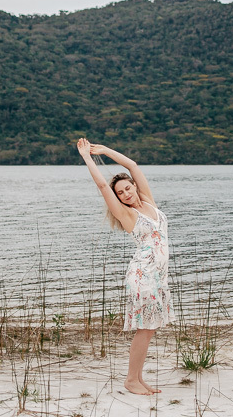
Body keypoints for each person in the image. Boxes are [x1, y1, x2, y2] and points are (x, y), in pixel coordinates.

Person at [76, 137, 173, 395]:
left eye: (128, 188)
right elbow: (101, 185)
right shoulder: (128, 214)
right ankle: (131, 380)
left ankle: (138, 379)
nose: (126, 193)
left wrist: (105, 150)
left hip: (158, 277)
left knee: (148, 329)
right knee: (146, 328)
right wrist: (87, 158)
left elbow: (132, 165)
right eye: (120, 193)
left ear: (133, 186)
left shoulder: (149, 202)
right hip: (144, 277)